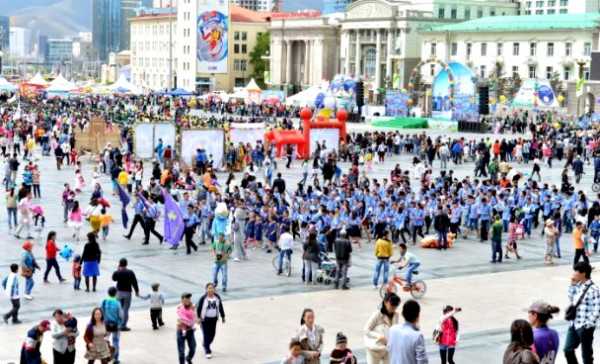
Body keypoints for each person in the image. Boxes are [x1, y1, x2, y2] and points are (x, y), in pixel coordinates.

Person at [564, 262, 600, 364]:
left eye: (576, 271)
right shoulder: (578, 285)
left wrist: (587, 325)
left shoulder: (594, 289)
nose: (574, 273)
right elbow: (572, 298)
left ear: (583, 273)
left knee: (586, 355)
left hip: (585, 326)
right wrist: (572, 284)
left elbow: (597, 309)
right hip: (574, 324)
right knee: (568, 349)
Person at [364, 292, 401, 364]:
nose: (394, 308)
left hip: (388, 349)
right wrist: (379, 336)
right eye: (392, 305)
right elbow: (366, 330)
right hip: (374, 349)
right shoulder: (377, 314)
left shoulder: (396, 315)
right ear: (385, 302)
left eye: (396, 306)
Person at [387, 299, 427, 364]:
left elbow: (389, 349)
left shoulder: (392, 330)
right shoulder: (417, 336)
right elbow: (422, 361)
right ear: (418, 316)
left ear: (403, 314)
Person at [197, 282, 226, 359]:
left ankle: (206, 344)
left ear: (214, 289)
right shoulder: (203, 298)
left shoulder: (217, 297)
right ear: (206, 289)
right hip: (205, 319)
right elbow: (199, 308)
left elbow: (220, 307)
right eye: (209, 288)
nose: (211, 289)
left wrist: (223, 316)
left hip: (213, 319)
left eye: (212, 288)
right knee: (206, 335)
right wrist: (199, 318)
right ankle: (207, 350)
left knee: (212, 335)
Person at [112, 258, 139, 331]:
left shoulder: (118, 272)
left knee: (119, 309)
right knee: (125, 309)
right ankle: (123, 325)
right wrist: (137, 291)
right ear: (126, 264)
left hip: (119, 292)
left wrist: (118, 270)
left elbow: (113, 279)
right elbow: (134, 282)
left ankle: (118, 324)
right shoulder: (130, 272)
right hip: (127, 292)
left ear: (120, 264)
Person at [101, 287, 123, 364]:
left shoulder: (104, 302)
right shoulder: (117, 303)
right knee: (115, 341)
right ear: (116, 293)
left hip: (106, 324)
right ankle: (115, 358)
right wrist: (121, 323)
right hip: (116, 325)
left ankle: (105, 356)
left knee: (105, 340)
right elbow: (121, 315)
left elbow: (101, 313)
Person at [176, 292, 197, 364]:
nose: (188, 300)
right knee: (181, 351)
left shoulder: (193, 307)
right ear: (182, 300)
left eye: (189, 298)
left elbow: (194, 317)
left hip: (190, 331)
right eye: (186, 298)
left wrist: (194, 322)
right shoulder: (179, 308)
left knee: (193, 348)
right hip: (181, 331)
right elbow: (182, 318)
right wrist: (191, 323)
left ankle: (188, 358)